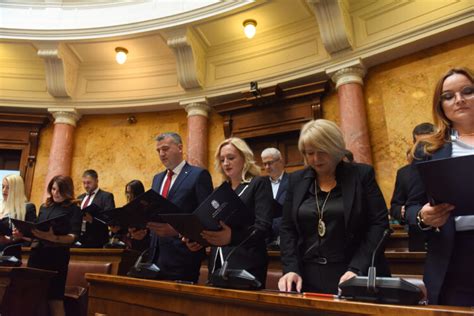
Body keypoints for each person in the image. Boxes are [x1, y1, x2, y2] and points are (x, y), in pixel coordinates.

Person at [278, 119, 390, 294]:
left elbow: (379, 225)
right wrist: (291, 268)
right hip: (308, 277)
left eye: (322, 151)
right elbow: (287, 228)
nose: (315, 159)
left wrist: (356, 269)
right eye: (309, 153)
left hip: (354, 273)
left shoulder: (361, 175)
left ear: (335, 147)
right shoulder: (296, 180)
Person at [405, 67, 474, 306]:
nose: (459, 99)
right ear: (440, 105)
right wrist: (424, 217)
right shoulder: (428, 151)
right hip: (455, 256)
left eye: (468, 91)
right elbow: (411, 206)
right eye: (448, 96)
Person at [184, 137, 273, 287]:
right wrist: (197, 239)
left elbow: (263, 227)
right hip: (217, 264)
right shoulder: (219, 190)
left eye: (231, 158)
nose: (226, 163)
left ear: (245, 158)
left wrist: (232, 236)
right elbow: (212, 226)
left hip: (247, 264)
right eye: (222, 159)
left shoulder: (258, 184)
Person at [145, 132, 213, 282]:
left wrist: (178, 230)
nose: (161, 154)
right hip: (155, 258)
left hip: (183, 257)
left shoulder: (198, 175)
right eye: (158, 151)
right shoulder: (157, 179)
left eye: (165, 149)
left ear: (180, 147)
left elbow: (206, 216)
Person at [15, 175, 82, 316]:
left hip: (57, 258)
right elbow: (37, 232)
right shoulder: (44, 207)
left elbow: (73, 237)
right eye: (53, 189)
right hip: (37, 255)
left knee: (54, 299)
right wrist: (23, 234)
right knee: (32, 297)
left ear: (68, 191)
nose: (55, 193)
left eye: (60, 190)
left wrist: (54, 238)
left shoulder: (74, 209)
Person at [390, 122, 435, 223]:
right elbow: (395, 206)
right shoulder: (403, 173)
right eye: (421, 144)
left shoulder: (445, 164)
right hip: (419, 231)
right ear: (414, 144)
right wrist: (401, 211)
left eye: (430, 143)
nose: (425, 148)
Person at [0, 174, 37, 257]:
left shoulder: (28, 208)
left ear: (17, 189)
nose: (4, 190)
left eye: (8, 187)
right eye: (2, 187)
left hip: (10, 255)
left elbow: (34, 237)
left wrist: (13, 238)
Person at [77, 169, 115, 248]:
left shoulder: (106, 196)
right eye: (84, 183)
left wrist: (92, 220)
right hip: (80, 239)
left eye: (89, 183)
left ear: (96, 181)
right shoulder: (80, 198)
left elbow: (110, 218)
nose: (86, 186)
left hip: (98, 239)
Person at [261, 147, 288, 247]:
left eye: (270, 163)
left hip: (285, 240)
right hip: (265, 241)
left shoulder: (293, 182)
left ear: (281, 161)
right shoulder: (261, 185)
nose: (267, 167)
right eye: (264, 164)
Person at [122, 179, 150, 252]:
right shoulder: (126, 208)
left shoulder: (146, 207)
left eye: (131, 193)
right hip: (130, 243)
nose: (128, 195)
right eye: (127, 192)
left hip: (144, 242)